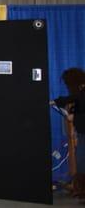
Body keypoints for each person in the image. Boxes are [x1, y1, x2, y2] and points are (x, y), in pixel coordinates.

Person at [53, 68, 85, 197]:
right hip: (82, 132)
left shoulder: (82, 94)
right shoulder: (80, 93)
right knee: (81, 161)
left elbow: (74, 101)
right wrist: (55, 102)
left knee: (82, 162)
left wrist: (74, 117)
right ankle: (80, 190)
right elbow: (72, 100)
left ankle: (81, 190)